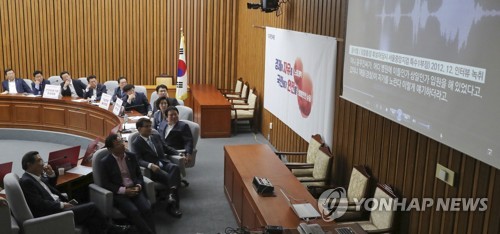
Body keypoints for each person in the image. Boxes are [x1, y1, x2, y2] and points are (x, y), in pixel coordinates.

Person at [19, 151, 129, 234]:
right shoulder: (27, 181)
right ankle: (112, 229)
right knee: (92, 207)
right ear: (29, 165)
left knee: (91, 218)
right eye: (39, 161)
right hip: (53, 214)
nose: (42, 163)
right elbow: (39, 204)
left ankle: (106, 230)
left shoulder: (35, 176)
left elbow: (48, 190)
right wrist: (62, 204)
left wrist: (51, 174)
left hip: (57, 206)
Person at [101, 134, 156, 234]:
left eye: (122, 141)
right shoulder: (105, 162)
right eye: (118, 144)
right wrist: (124, 191)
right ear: (110, 149)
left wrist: (139, 186)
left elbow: (139, 175)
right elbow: (105, 184)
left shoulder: (131, 156)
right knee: (134, 211)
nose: (122, 145)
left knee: (147, 208)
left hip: (135, 189)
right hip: (120, 194)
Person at [132, 118, 183, 218]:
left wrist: (179, 153)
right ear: (139, 129)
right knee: (170, 177)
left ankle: (171, 195)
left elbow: (166, 148)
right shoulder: (136, 143)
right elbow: (138, 160)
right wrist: (150, 165)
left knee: (175, 168)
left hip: (163, 162)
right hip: (153, 169)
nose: (149, 128)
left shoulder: (156, 137)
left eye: (150, 126)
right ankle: (173, 206)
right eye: (146, 126)